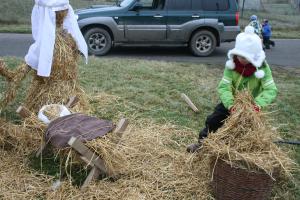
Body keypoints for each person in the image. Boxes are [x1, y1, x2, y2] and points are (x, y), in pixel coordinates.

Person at [187, 26, 278, 153]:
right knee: (213, 120)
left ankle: (236, 153)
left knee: (246, 131)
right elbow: (224, 87)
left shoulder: (262, 68)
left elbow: (271, 90)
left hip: (251, 108)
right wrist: (230, 105)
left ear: (254, 56)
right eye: (239, 55)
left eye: (245, 57)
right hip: (231, 103)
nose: (241, 59)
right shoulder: (231, 65)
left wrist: (257, 105)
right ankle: (201, 144)